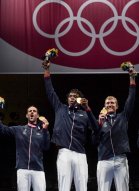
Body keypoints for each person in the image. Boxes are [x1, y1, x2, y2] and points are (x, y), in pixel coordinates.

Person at [42, 60, 99, 191]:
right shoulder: (60, 108)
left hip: (80, 153)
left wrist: (88, 109)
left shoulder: (85, 114)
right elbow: (50, 91)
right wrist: (46, 71)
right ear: (67, 99)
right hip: (64, 152)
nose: (72, 98)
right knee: (64, 187)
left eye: (75, 96)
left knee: (82, 187)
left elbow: (96, 128)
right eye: (70, 96)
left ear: (80, 100)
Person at [91, 69, 137, 191]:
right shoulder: (98, 121)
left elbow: (131, 100)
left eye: (112, 103)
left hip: (120, 160)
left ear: (117, 106)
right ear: (104, 106)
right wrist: (99, 123)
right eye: (108, 103)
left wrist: (132, 78)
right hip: (104, 160)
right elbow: (94, 141)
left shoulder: (123, 117)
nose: (110, 105)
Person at [0, 105, 50, 191]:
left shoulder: (42, 132)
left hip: (38, 169)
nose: (32, 112)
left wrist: (45, 130)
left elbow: (46, 147)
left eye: (34, 111)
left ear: (38, 116)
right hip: (22, 169)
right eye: (30, 111)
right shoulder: (19, 129)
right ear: (27, 115)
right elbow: (1, 129)